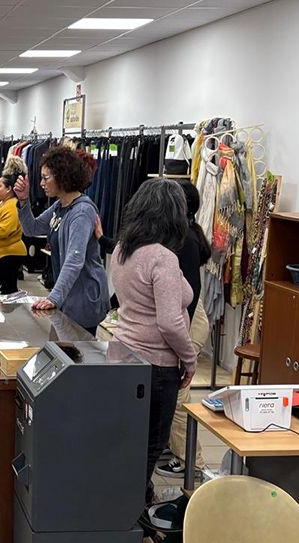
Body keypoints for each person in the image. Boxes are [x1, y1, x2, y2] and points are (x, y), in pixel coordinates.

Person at [109, 178, 196, 504]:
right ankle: (132, 520)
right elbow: (171, 322)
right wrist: (189, 358)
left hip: (122, 354)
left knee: (128, 443)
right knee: (149, 447)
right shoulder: (162, 257)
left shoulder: (123, 249)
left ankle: (131, 512)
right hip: (156, 366)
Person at [13, 146, 109, 334]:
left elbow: (75, 260)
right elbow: (32, 228)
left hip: (83, 298)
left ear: (62, 177)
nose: (41, 183)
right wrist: (24, 201)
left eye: (46, 177)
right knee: (61, 350)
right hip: (67, 295)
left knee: (76, 355)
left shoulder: (81, 212)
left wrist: (53, 298)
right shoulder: (61, 205)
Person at [156, 181, 214, 480]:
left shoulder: (187, 241)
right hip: (185, 320)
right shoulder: (177, 237)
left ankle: (196, 464)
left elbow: (189, 299)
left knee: (179, 400)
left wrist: (183, 349)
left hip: (190, 323)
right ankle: (179, 452)